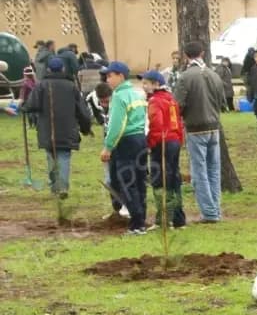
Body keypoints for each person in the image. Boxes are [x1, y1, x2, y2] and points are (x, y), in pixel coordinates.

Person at [23, 57, 93, 199]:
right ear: (62, 69)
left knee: (51, 157)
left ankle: (56, 187)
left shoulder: (41, 85)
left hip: (47, 130)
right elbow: (82, 110)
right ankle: (62, 187)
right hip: (68, 130)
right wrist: (86, 128)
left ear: (48, 69)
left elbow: (31, 105)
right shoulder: (71, 86)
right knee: (64, 157)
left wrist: (23, 107)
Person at [174, 41, 226, 224]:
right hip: (214, 127)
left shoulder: (185, 77)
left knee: (199, 172)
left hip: (195, 128)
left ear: (185, 55)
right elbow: (222, 101)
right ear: (202, 53)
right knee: (213, 170)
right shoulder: (214, 75)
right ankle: (215, 209)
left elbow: (177, 105)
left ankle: (210, 212)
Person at [100, 61, 149, 235]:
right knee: (140, 180)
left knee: (126, 182)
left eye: (110, 76)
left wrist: (108, 147)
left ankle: (136, 224)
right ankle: (142, 217)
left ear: (120, 76)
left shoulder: (119, 96)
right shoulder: (137, 94)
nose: (107, 79)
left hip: (126, 141)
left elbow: (116, 125)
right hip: (140, 140)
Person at [141, 70, 186, 229]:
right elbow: (178, 123)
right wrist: (180, 140)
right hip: (174, 141)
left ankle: (164, 219)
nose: (144, 86)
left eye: (146, 83)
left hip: (161, 142)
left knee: (160, 180)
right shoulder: (171, 99)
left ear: (156, 84)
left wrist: (150, 143)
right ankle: (179, 219)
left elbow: (156, 124)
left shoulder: (155, 101)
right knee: (174, 178)